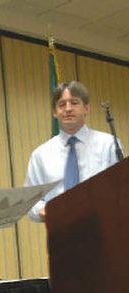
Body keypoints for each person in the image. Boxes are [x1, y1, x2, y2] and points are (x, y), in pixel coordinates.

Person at [25, 81, 122, 222]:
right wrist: (47, 210)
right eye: (62, 104)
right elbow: (30, 202)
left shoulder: (109, 144)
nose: (68, 109)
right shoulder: (40, 155)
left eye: (74, 102)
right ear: (54, 112)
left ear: (87, 109)